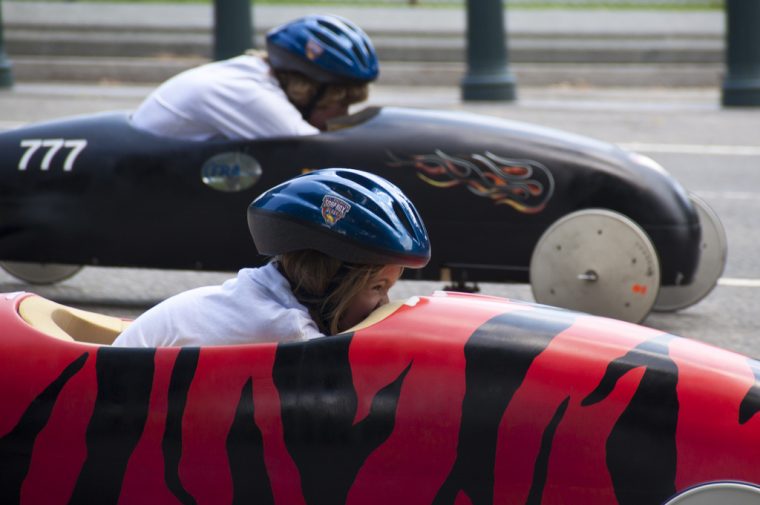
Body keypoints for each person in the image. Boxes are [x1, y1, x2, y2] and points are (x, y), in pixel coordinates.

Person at [112, 168, 430, 347]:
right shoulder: (285, 331)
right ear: (326, 281)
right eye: (377, 287)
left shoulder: (257, 289)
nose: (385, 303)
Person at [130, 14, 379, 141]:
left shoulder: (251, 73)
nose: (343, 116)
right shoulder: (247, 94)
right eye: (340, 104)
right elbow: (322, 151)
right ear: (308, 91)